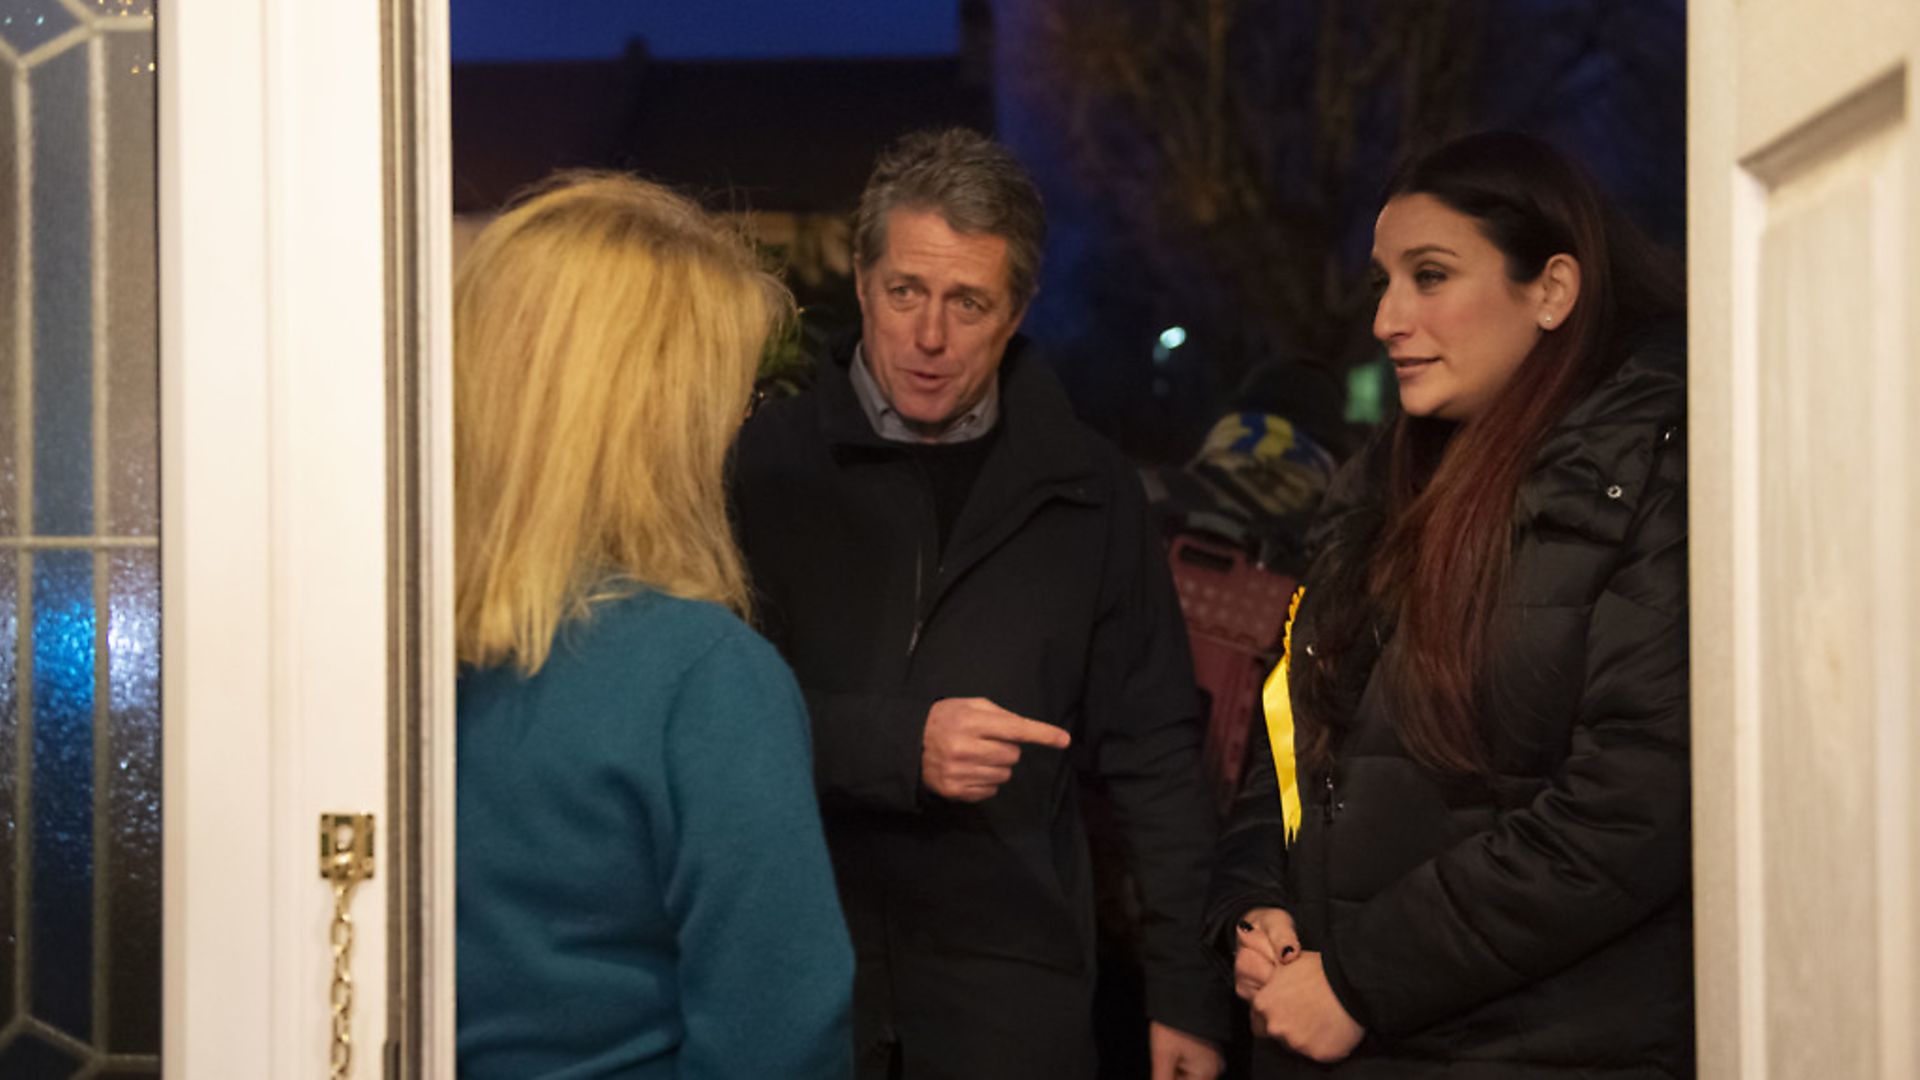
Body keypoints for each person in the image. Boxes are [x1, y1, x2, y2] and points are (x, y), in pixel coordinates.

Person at [731, 128, 1228, 1080]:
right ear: (861, 278)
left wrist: (1186, 999)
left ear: (1017, 312)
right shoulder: (762, 468)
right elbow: (713, 730)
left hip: (1012, 997)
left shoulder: (1091, 490)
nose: (928, 336)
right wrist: (895, 746)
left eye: (968, 302)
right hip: (797, 978)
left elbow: (1158, 759)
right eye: (906, 292)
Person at [1208, 130, 1691, 1077]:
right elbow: (1293, 739)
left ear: (1552, 289)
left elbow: (1631, 807)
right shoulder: (1374, 489)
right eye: (1384, 280)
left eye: (1430, 276)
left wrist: (1361, 979)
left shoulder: (1654, 480)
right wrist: (1253, 897)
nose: (1388, 317)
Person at [453, 173, 853, 1080]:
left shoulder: (380, 654)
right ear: (655, 420)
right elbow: (781, 1039)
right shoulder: (702, 677)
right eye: (730, 400)